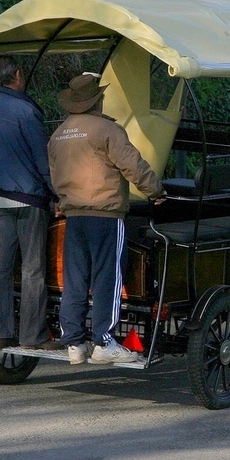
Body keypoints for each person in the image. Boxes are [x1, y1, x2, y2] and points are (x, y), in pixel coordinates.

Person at [48, 73, 166, 365]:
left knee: (75, 280)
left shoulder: (59, 134)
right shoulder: (105, 129)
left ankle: (74, 343)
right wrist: (155, 190)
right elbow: (132, 164)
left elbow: (54, 175)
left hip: (73, 215)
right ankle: (103, 341)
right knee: (107, 278)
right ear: (97, 101)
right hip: (105, 214)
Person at [0, 55, 63, 351]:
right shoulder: (26, 110)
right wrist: (57, 193)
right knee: (33, 269)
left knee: (1, 266)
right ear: (18, 75)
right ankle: (32, 335)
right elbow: (42, 160)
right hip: (27, 198)